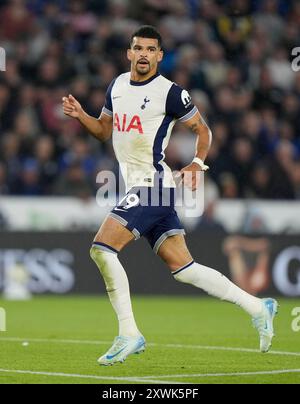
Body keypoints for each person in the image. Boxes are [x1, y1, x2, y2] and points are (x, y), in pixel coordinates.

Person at [62, 25, 278, 366]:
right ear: (130, 53)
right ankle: (258, 306)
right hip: (138, 186)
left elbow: (203, 130)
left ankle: (129, 333)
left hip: (153, 185)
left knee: (101, 249)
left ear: (160, 56)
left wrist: (196, 163)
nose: (144, 54)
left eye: (151, 49)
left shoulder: (171, 93)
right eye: (138, 48)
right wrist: (82, 117)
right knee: (184, 268)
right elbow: (104, 131)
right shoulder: (117, 85)